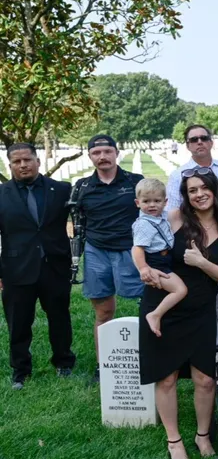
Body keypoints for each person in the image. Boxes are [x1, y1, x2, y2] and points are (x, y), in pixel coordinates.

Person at [138, 168, 218, 459]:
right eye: (192, 190)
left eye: (203, 188)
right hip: (164, 304)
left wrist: (201, 262)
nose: (198, 194)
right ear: (185, 196)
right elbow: (141, 245)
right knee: (167, 377)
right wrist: (146, 270)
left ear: (214, 190)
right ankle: (174, 440)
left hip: (201, 309)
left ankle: (203, 435)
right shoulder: (174, 219)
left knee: (205, 379)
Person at [0, 143, 75, 389]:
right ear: (9, 165)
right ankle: (20, 370)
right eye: (17, 162)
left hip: (54, 265)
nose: (23, 165)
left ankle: (64, 363)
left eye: (27, 160)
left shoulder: (62, 190)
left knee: (60, 317)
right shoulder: (2, 195)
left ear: (38, 160)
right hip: (16, 268)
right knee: (18, 321)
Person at [74, 134, 144, 384]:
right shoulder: (82, 186)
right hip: (96, 252)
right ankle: (103, 365)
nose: (102, 157)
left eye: (107, 151)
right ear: (90, 156)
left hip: (132, 250)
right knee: (103, 311)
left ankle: (151, 358)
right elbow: (74, 221)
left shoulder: (136, 181)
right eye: (96, 153)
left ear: (116, 153)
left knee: (148, 306)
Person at [131, 179, 188, 338]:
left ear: (165, 202)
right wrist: (143, 268)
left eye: (157, 201)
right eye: (146, 201)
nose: (152, 205)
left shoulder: (161, 216)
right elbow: (137, 248)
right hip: (156, 263)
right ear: (137, 202)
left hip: (164, 259)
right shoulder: (144, 224)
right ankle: (155, 314)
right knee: (180, 290)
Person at [166, 124, 218, 211]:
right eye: (194, 140)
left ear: (211, 143)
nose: (200, 142)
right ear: (187, 146)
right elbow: (173, 210)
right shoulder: (177, 176)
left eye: (204, 138)